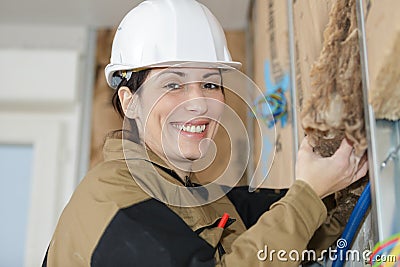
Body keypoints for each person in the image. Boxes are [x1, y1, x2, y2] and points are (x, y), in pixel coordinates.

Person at [42, 0, 368, 266]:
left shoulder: (183, 192)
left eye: (210, 83)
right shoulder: (116, 210)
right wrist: (307, 195)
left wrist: (329, 188)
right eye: (173, 84)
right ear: (131, 102)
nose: (198, 103)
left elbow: (268, 227)